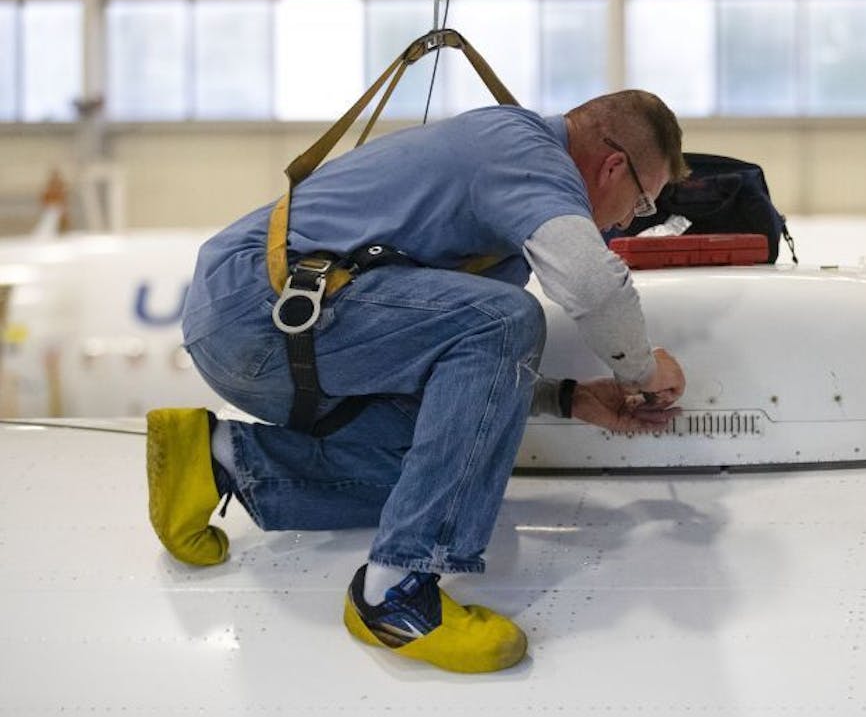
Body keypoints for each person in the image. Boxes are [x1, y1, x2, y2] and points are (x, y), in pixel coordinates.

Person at [146, 89, 690, 672]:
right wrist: (643, 370)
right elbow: (591, 283)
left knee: (431, 478)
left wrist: (568, 399)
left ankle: (219, 457)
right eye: (640, 203)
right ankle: (395, 592)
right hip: (258, 308)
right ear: (613, 165)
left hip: (273, 330)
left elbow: (465, 390)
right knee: (508, 318)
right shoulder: (523, 152)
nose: (626, 221)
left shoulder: (503, 221)